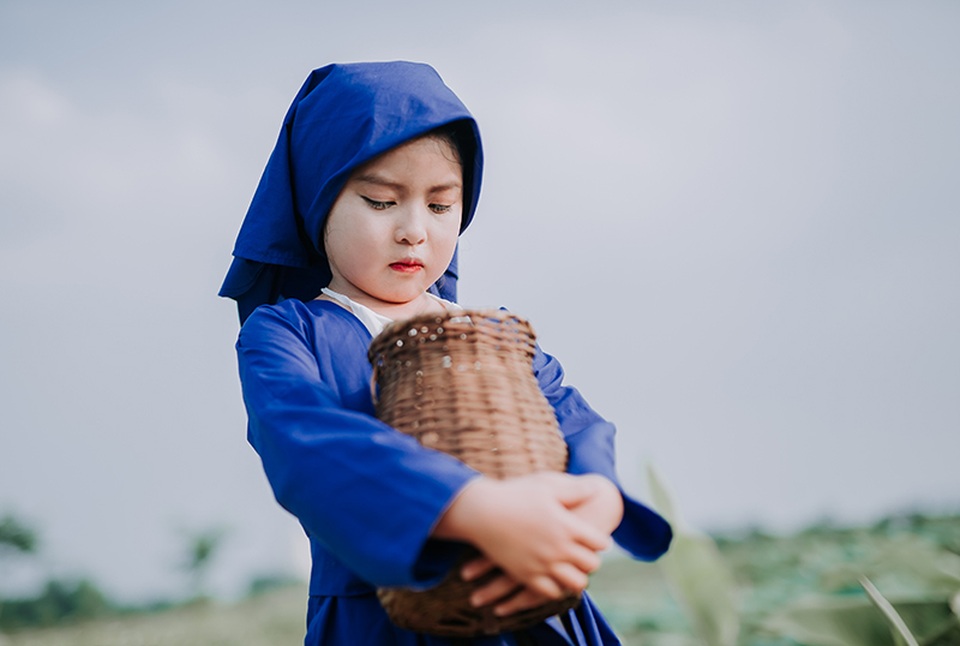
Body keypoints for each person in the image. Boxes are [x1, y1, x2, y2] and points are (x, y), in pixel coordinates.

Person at [219, 61, 672, 645]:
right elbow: (303, 441)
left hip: (536, 609)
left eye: (439, 206)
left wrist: (597, 494)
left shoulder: (492, 334)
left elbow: (572, 419)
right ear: (318, 200)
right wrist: (468, 506)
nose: (414, 230)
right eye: (381, 201)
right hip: (379, 621)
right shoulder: (287, 332)